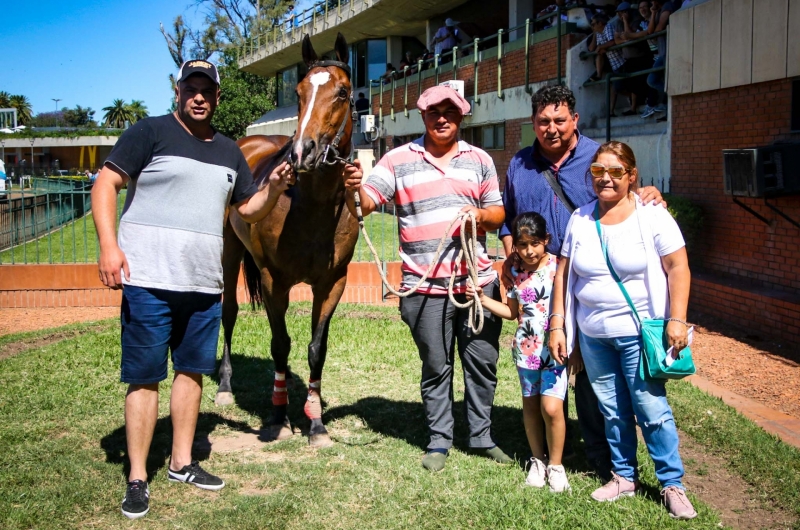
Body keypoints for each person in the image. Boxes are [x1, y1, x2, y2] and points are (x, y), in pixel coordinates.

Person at [92, 58, 295, 520]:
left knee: (191, 373)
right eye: (190, 88)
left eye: (207, 89)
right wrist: (109, 246)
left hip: (204, 285)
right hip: (148, 280)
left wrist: (275, 186)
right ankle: (138, 477)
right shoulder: (151, 132)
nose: (198, 96)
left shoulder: (228, 151)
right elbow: (106, 182)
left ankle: (183, 462)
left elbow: (248, 210)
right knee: (144, 376)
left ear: (217, 97)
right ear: (178, 92)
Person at [342, 85, 511, 472]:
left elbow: (498, 212)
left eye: (450, 111)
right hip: (424, 286)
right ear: (423, 116)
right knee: (436, 365)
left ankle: (482, 436)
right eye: (434, 111)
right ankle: (439, 440)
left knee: (482, 362)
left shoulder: (480, 159)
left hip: (476, 284)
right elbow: (368, 201)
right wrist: (353, 187)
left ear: (461, 115)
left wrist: (479, 217)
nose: (442, 118)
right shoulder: (398, 159)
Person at [501, 85, 664, 481]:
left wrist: (650, 194)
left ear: (575, 120)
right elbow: (508, 217)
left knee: (593, 374)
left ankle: (602, 458)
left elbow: (629, 194)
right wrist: (510, 254)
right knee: (549, 359)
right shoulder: (519, 165)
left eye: (559, 120)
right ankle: (552, 445)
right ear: (533, 123)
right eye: (543, 121)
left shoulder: (597, 157)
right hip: (541, 284)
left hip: (590, 279)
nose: (551, 128)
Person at [549, 141, 697, 520]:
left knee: (651, 408)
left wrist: (677, 319)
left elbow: (678, 267)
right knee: (612, 410)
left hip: (638, 333)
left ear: (632, 176)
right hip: (594, 336)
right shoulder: (580, 219)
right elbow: (563, 276)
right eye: (598, 171)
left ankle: (671, 483)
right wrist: (559, 324)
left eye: (616, 172)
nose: (606, 179)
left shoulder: (652, 216)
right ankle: (624, 477)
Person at [467, 212, 570, 492]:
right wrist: (483, 299)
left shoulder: (560, 268)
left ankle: (556, 466)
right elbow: (512, 313)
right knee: (531, 407)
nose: (528, 251)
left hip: (555, 350)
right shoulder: (515, 272)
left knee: (552, 407)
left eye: (534, 243)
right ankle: (538, 460)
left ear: (546, 241)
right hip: (526, 352)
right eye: (522, 245)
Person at [646, 0, 676, 121]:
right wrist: (653, 13)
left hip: (670, 52)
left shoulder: (668, 6)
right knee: (651, 80)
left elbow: (658, 29)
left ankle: (669, 108)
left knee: (657, 80)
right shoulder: (657, 10)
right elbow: (649, 31)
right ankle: (670, 96)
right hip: (662, 54)